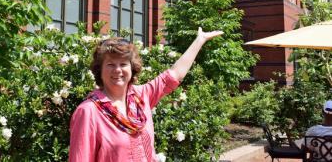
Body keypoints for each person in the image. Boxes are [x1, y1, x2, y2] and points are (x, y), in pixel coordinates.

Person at [69, 27, 223, 162]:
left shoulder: (140, 97)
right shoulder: (89, 112)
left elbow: (174, 74)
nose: (118, 70)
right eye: (110, 64)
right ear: (99, 70)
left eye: (123, 64)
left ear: (132, 68)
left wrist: (199, 40)